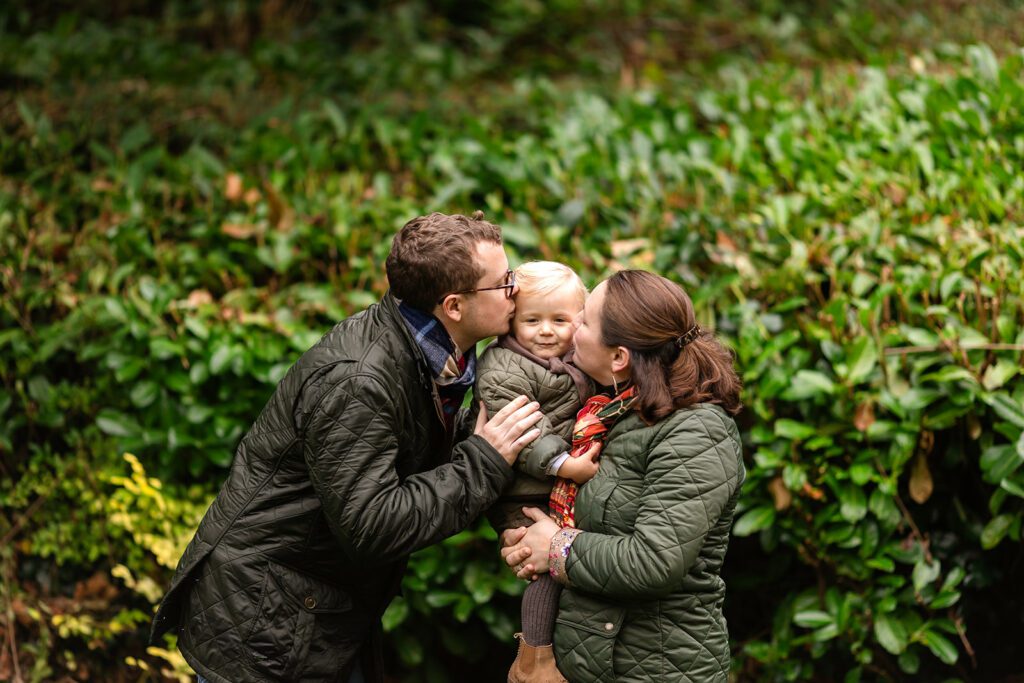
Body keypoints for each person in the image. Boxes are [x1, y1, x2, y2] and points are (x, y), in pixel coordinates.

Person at [150, 211, 544, 683]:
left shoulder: (434, 355)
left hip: (317, 610)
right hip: (266, 622)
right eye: (503, 282)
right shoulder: (358, 382)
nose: (515, 290)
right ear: (454, 306)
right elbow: (373, 524)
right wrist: (484, 461)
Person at [501, 269, 745, 683]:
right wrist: (528, 540)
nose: (572, 326)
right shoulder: (607, 410)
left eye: (585, 320)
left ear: (619, 357)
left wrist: (556, 547)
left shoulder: (697, 431)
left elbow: (653, 561)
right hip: (597, 661)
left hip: (657, 667)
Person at [471, 261, 592, 682]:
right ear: (511, 321)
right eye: (532, 320)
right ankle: (534, 658)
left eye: (560, 320)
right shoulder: (504, 365)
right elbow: (518, 430)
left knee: (571, 563)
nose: (546, 331)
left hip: (555, 486)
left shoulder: (580, 357)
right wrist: (565, 464)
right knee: (543, 567)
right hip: (522, 494)